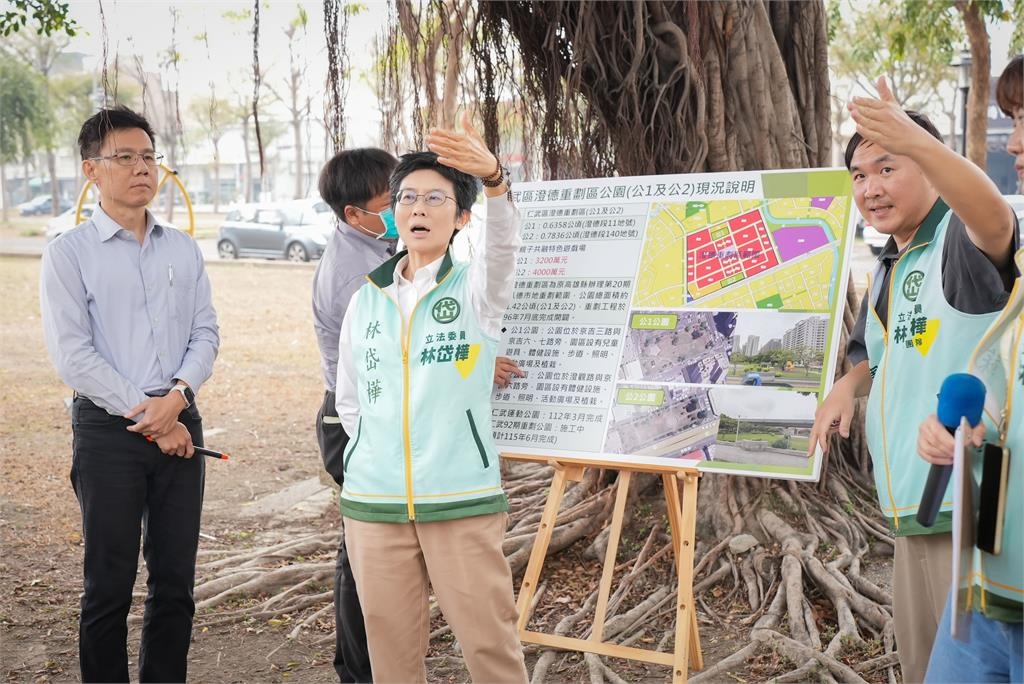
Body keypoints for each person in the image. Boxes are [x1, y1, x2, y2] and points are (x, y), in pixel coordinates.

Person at [808, 76, 1018, 683]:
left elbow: (994, 218)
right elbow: (875, 354)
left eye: (888, 167)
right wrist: (848, 386)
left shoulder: (959, 240)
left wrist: (918, 141)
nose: (871, 188)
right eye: (859, 176)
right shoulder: (888, 265)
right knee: (924, 666)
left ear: (930, 168)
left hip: (968, 505)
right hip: (909, 509)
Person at [313, 147, 525, 682]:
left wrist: (495, 181)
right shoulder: (366, 298)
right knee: (390, 652)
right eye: (407, 197)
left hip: (459, 498)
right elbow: (350, 399)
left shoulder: (476, 289)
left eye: (435, 198)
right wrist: (372, 457)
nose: (418, 209)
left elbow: (504, 247)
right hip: (374, 505)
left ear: (462, 218)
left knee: (489, 643)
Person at [39, 106, 219, 682]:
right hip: (108, 430)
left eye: (149, 156)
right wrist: (155, 418)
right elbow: (73, 356)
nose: (142, 168)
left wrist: (178, 397)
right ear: (91, 169)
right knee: (108, 586)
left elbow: (205, 333)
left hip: (181, 419)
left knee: (175, 583)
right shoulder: (69, 253)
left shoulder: (182, 248)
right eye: (125, 157)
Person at [918, 54, 1023, 684]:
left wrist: (917, 146)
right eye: (1015, 119)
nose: (1015, 142)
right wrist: (971, 430)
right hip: (993, 576)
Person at [313, 147, 399, 683]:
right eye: (393, 202)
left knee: (366, 547)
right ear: (354, 214)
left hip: (373, 412)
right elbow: (391, 356)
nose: (406, 208)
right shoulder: (356, 275)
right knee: (364, 551)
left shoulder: (378, 246)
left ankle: (366, 667)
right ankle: (359, 671)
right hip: (353, 421)